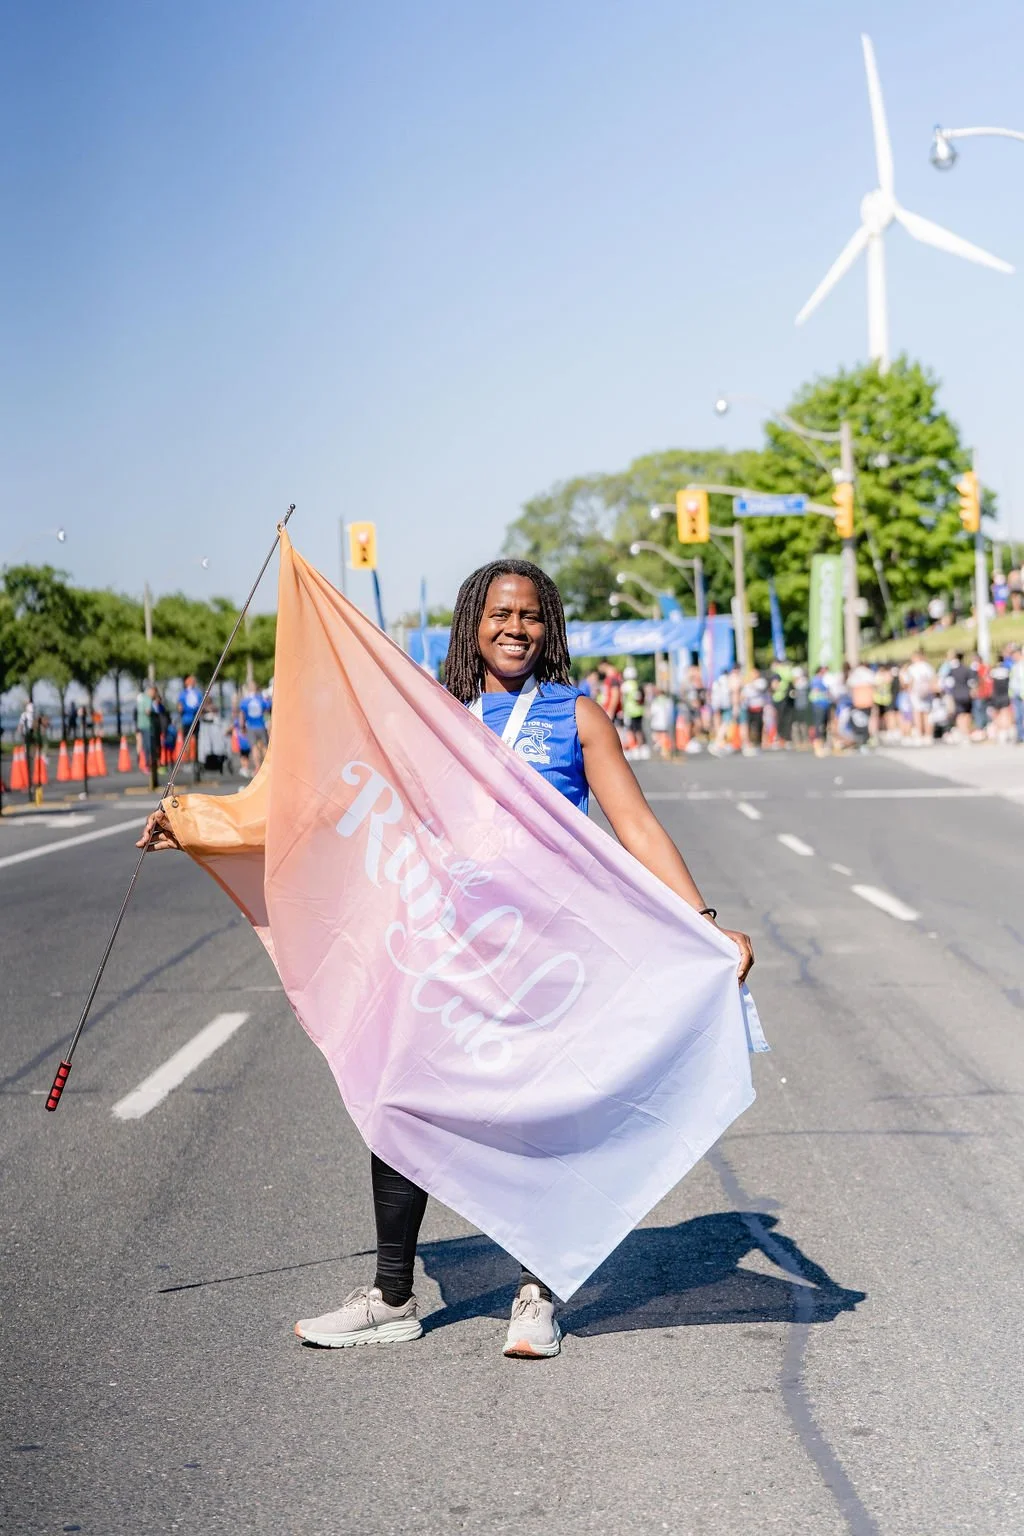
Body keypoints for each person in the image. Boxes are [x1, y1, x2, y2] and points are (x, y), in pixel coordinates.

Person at [138, 557, 754, 1360]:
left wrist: (703, 922)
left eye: (531, 616)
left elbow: (633, 825)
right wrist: (200, 822)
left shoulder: (578, 716)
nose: (516, 628)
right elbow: (324, 804)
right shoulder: (431, 717)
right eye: (499, 614)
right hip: (443, 953)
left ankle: (536, 1294)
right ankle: (393, 1295)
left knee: (542, 1113)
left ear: (549, 627)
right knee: (401, 1100)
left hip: (545, 961)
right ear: (472, 624)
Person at [237, 682, 271, 772]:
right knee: (264, 747)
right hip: (261, 726)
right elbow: (267, 711)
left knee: (254, 747)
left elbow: (242, 715)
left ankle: (257, 766)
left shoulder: (245, 701)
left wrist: (242, 727)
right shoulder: (261, 700)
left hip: (251, 727)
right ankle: (267, 766)